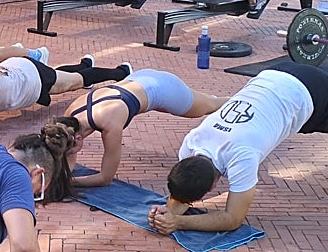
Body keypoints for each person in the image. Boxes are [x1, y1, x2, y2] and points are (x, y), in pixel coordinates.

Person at [148, 61, 328, 235]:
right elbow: (181, 199)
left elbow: (233, 219)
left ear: (212, 188)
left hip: (309, 90)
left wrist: (180, 222)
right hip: (274, 81)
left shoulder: (242, 155)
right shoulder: (191, 143)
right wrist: (166, 215)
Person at [59, 70, 225, 187]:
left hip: (163, 88)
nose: (72, 154)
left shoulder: (110, 124)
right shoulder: (69, 117)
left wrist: (67, 183)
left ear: (77, 139)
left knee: (211, 105)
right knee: (205, 101)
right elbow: (69, 156)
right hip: (139, 78)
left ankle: (245, 99)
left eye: (71, 151)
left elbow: (105, 178)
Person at [0, 55, 131, 140]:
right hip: (16, 69)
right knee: (60, 77)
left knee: (74, 82)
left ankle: (120, 72)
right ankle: (84, 64)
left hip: (30, 80)